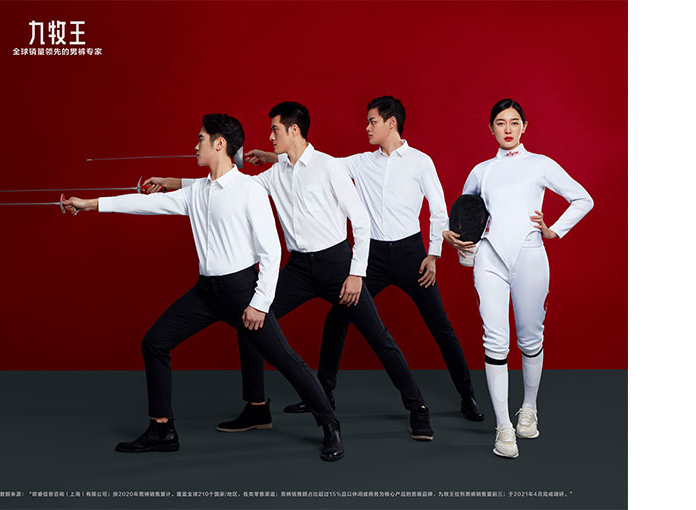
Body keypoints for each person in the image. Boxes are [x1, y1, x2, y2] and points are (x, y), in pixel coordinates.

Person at [144, 102, 434, 441]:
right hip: (298, 269)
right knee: (249, 322)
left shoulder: (328, 167)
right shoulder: (274, 174)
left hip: (338, 267)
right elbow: (226, 185)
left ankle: (418, 408)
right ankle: (256, 408)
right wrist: (170, 182)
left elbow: (361, 221)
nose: (270, 137)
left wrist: (356, 274)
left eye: (275, 130)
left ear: (294, 130)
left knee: (378, 337)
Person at [62, 114, 345, 461]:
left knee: (286, 360)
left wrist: (260, 303)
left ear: (219, 144)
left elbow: (271, 253)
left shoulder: (250, 191)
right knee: (155, 342)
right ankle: (162, 429)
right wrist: (89, 204)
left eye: (200, 139)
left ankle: (330, 425)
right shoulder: (196, 191)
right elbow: (145, 204)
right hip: (206, 293)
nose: (195, 145)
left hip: (242, 293)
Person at [244, 96, 484, 422]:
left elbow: (438, 209)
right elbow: (315, 165)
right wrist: (274, 156)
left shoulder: (420, 161)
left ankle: (467, 396)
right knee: (337, 319)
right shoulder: (360, 162)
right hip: (372, 259)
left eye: (372, 121)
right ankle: (323, 392)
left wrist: (433, 255)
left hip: (412, 256)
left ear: (391, 123)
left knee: (440, 325)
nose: (367, 127)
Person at [443, 99, 594, 458]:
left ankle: (528, 408)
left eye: (514, 122)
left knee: (530, 338)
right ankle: (503, 427)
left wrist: (553, 230)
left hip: (530, 256)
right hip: (490, 259)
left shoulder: (540, 164)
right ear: (491, 128)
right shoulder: (481, 171)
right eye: (500, 122)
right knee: (496, 343)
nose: (507, 129)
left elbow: (582, 199)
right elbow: (465, 218)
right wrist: (455, 240)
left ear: (525, 126)